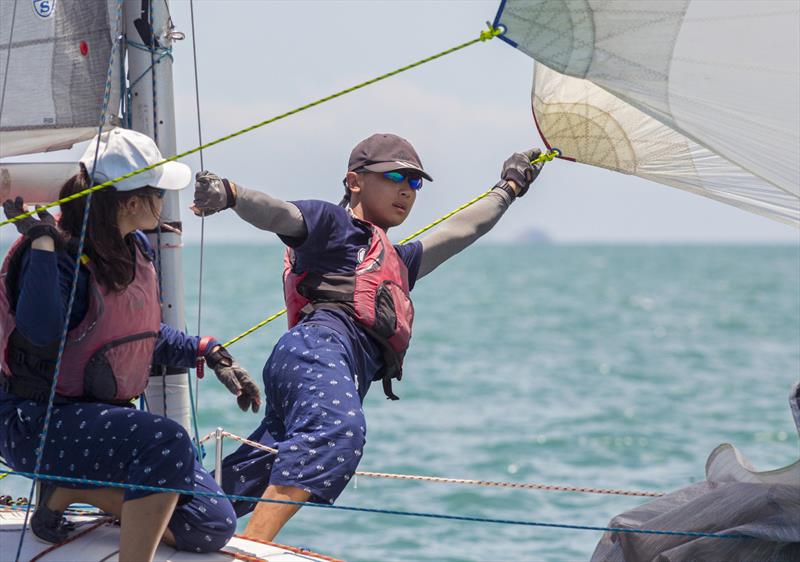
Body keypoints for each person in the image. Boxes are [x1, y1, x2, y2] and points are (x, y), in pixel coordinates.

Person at [191, 133, 543, 541]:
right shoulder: (333, 226)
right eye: (394, 176)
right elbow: (280, 215)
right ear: (354, 181)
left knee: (256, 470)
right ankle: (254, 548)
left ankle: (169, 515)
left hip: (317, 366)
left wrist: (510, 187)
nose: (406, 191)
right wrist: (231, 194)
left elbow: (464, 229)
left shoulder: (401, 261)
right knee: (338, 432)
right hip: (318, 350)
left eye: (415, 183)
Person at [0, 128, 261, 561]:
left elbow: (134, 336)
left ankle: (64, 492)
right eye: (158, 192)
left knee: (210, 524)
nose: (165, 201)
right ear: (131, 202)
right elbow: (40, 332)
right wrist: (41, 241)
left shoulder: (133, 247)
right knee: (167, 440)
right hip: (35, 425)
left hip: (103, 427)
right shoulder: (58, 254)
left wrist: (211, 353)